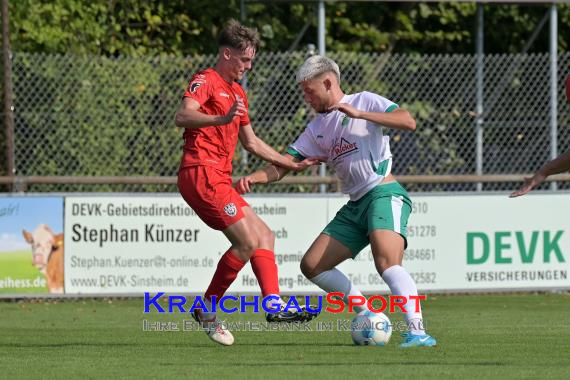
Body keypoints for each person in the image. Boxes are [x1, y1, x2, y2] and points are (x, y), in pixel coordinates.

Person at [235, 55, 437, 348]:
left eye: (309, 90)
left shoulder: (365, 101)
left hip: (383, 192)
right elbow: (285, 163)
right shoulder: (317, 128)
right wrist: (254, 178)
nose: (305, 97)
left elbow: (408, 120)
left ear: (328, 82)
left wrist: (360, 114)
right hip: (356, 204)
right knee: (312, 265)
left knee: (387, 262)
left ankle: (418, 331)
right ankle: (367, 312)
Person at [174, 20, 320, 346]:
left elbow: (252, 143)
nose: (248, 66)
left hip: (218, 178)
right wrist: (220, 119)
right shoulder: (206, 80)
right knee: (247, 243)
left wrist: (291, 164)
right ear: (227, 54)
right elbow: (183, 115)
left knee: (264, 235)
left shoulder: (238, 92)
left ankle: (274, 306)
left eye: (251, 60)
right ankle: (207, 309)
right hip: (200, 173)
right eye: (244, 60)